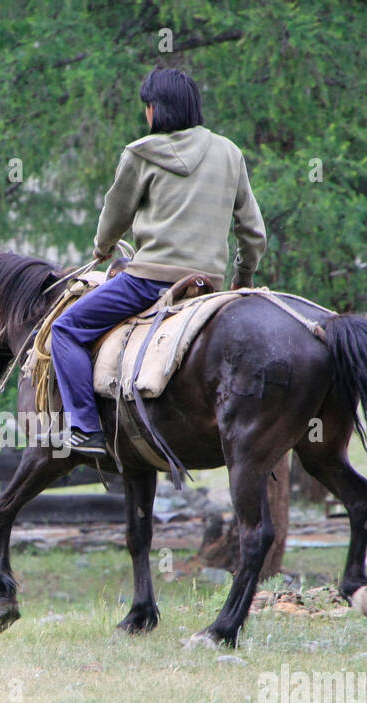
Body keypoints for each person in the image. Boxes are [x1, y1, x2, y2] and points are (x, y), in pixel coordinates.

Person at [45, 67, 267, 456]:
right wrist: (241, 276)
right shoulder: (229, 153)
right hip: (207, 285)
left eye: (146, 107)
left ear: (155, 110)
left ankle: (84, 428)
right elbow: (253, 232)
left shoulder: (140, 153)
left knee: (66, 329)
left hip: (148, 282)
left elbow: (115, 214)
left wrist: (103, 247)